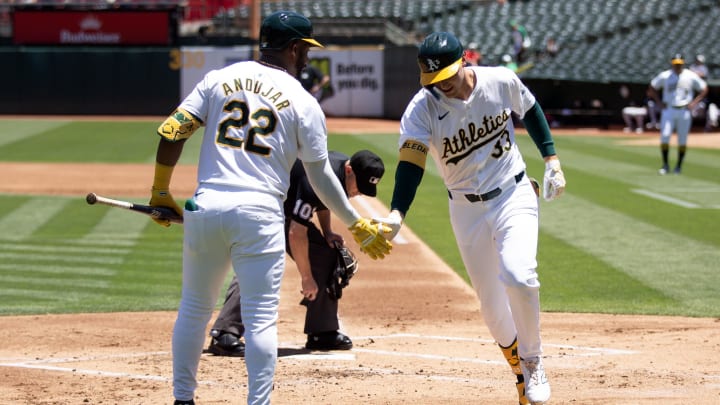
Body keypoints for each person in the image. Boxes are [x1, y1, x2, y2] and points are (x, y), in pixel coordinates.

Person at [147, 10, 392, 405]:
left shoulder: (219, 78)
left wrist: (160, 191)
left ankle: (183, 399)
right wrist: (355, 222)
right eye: (306, 49)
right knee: (261, 319)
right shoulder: (303, 101)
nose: (308, 58)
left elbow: (172, 131)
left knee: (193, 308)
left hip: (207, 205)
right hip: (259, 212)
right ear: (294, 47)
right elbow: (321, 178)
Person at [373, 31, 565, 405]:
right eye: (432, 79)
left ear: (462, 62)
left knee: (519, 274)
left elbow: (531, 109)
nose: (439, 84)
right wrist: (397, 211)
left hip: (513, 192)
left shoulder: (499, 81)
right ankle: (520, 376)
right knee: (492, 310)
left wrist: (551, 159)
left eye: (444, 74)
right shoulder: (422, 107)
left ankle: (534, 360)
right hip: (466, 209)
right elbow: (411, 163)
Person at [206, 150, 385, 357]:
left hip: (287, 210)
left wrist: (327, 232)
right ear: (348, 170)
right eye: (360, 186)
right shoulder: (317, 176)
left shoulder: (337, 174)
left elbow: (325, 199)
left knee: (326, 253)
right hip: (260, 208)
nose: (360, 193)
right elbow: (296, 233)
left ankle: (321, 331)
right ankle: (225, 332)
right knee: (259, 263)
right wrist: (307, 278)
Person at [648, 53, 708, 175]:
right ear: (672, 64)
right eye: (675, 64)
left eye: (679, 64)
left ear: (683, 63)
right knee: (665, 136)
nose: (677, 67)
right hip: (668, 109)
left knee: (682, 139)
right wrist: (659, 102)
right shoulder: (665, 75)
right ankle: (665, 165)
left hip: (684, 110)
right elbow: (652, 87)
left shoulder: (690, 75)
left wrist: (694, 103)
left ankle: (678, 166)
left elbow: (704, 88)